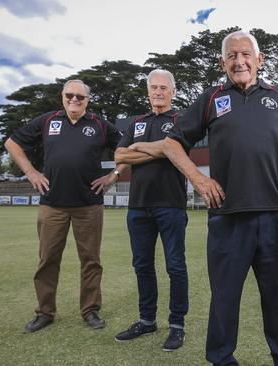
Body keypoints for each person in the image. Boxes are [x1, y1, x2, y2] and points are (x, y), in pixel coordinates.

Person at [132, 30, 278, 366]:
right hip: (227, 216)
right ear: (222, 63)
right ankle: (222, 359)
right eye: (232, 56)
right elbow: (172, 143)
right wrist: (196, 177)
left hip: (275, 215)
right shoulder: (210, 98)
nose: (240, 61)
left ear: (259, 59)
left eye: (245, 54)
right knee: (224, 300)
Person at [5, 79, 122, 333]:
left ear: (88, 100)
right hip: (52, 205)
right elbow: (12, 143)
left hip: (89, 205)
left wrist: (113, 176)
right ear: (62, 96)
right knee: (47, 260)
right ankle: (45, 312)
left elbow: (127, 150)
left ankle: (90, 310)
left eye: (80, 96)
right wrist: (31, 172)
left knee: (91, 261)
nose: (74, 100)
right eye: (70, 95)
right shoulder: (48, 121)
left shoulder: (100, 125)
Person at [113, 69, 189, 351]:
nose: (158, 92)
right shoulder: (137, 122)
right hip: (138, 207)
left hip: (170, 204)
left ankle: (177, 325)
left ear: (173, 91)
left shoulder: (181, 120)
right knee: (142, 266)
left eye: (163, 88)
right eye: (153, 87)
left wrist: (141, 149)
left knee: (175, 266)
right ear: (148, 92)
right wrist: (161, 149)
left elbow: (177, 149)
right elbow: (120, 155)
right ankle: (147, 321)